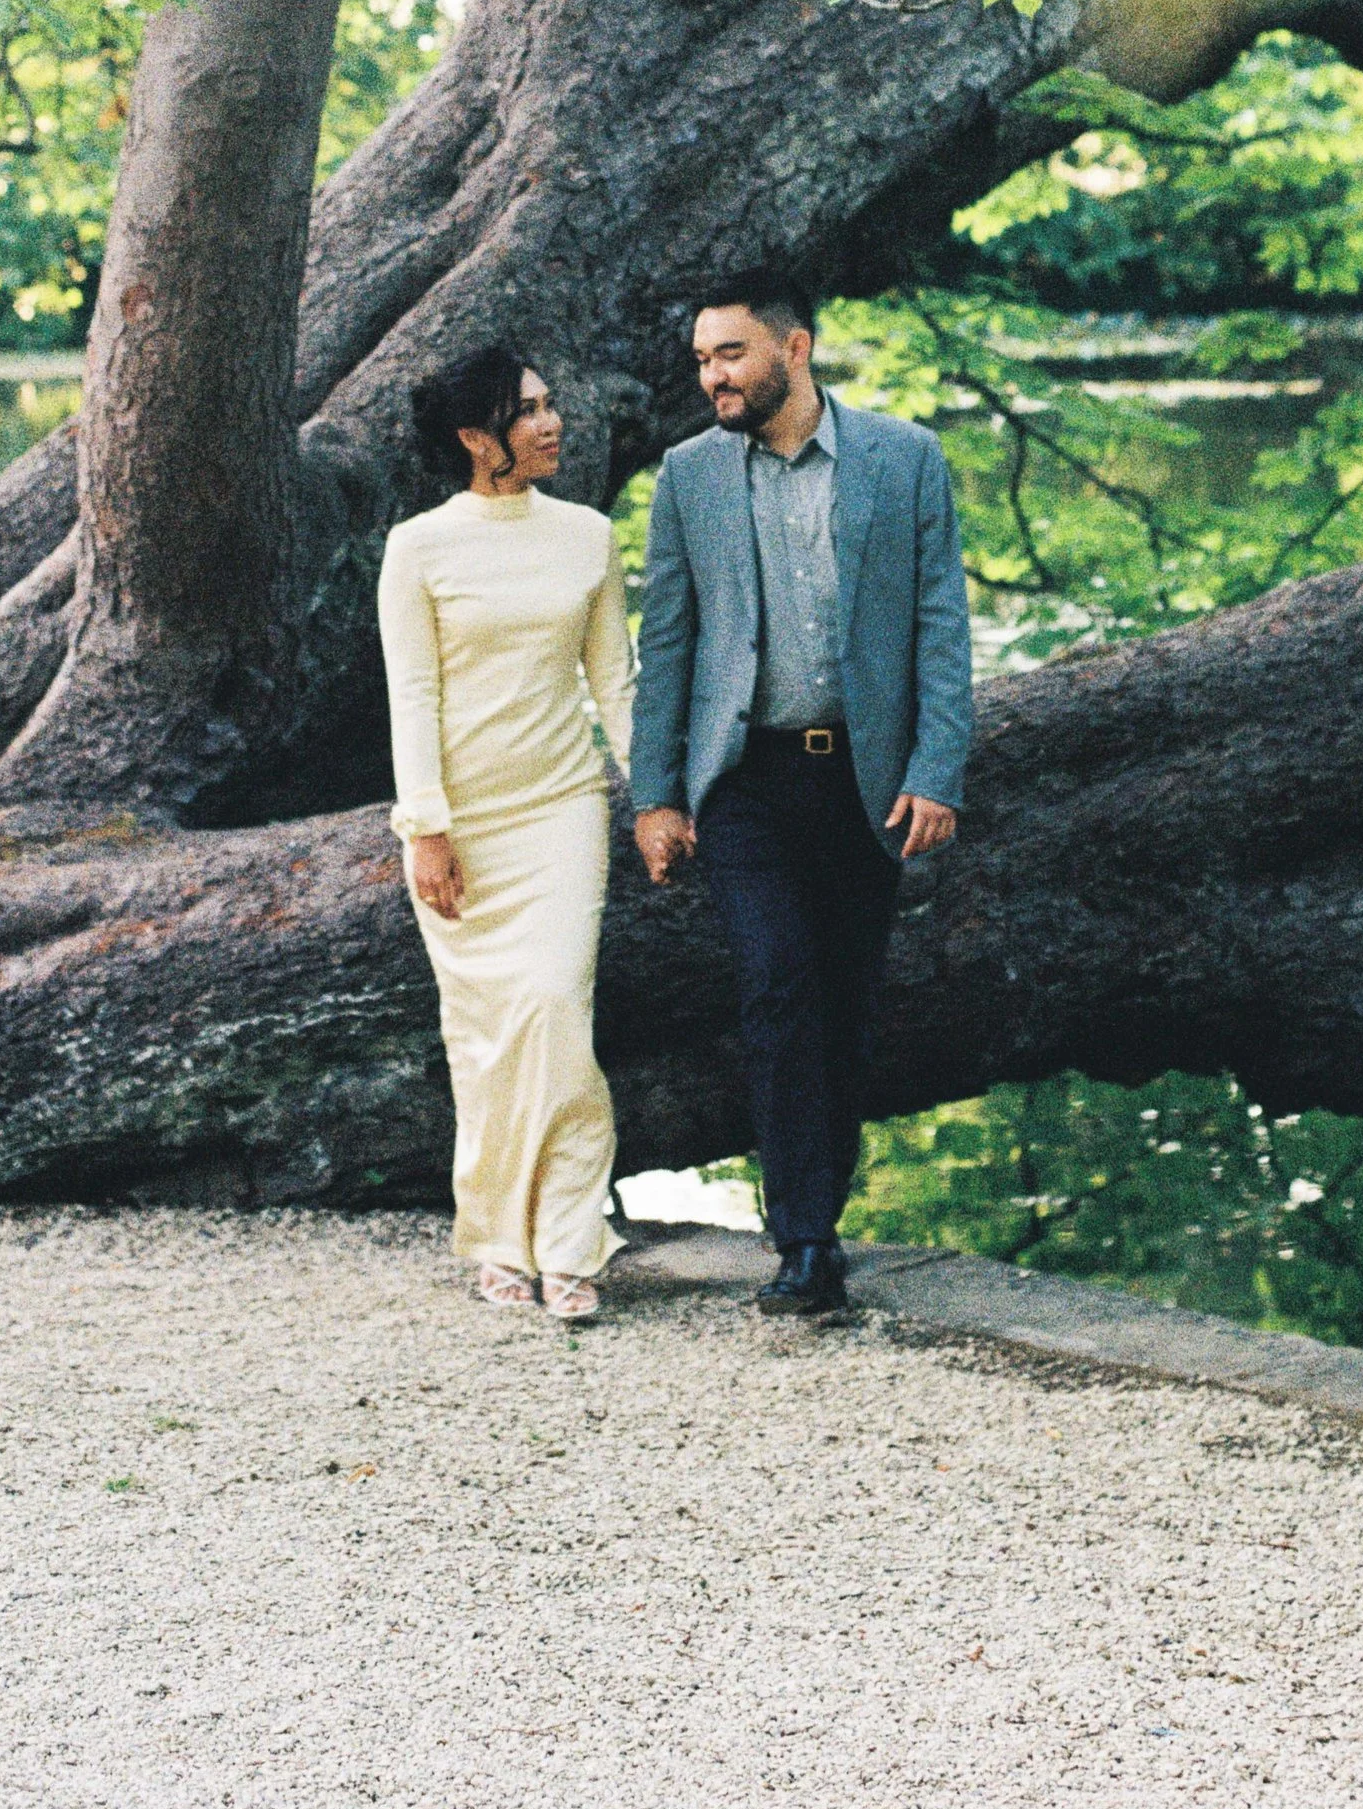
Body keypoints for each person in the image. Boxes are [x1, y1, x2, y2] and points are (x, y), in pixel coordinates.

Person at [630, 280, 974, 1318]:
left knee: (845, 1004)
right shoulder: (687, 476)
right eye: (701, 360)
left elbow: (940, 627)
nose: (713, 377)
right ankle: (806, 1242)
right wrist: (654, 796)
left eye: (729, 354)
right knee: (776, 986)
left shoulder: (904, 459)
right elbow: (671, 646)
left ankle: (820, 1206)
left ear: (796, 345)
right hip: (743, 781)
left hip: (864, 781)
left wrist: (935, 768)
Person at [379, 347, 635, 1322]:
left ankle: (571, 1242)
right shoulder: (421, 548)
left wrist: (651, 796)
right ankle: (496, 1235)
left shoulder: (587, 535)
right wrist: (426, 828)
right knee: (486, 1033)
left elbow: (615, 681)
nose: (552, 421)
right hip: (463, 823)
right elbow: (414, 692)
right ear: (476, 439)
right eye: (526, 411)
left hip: (564, 806)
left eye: (550, 402)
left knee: (557, 1008)